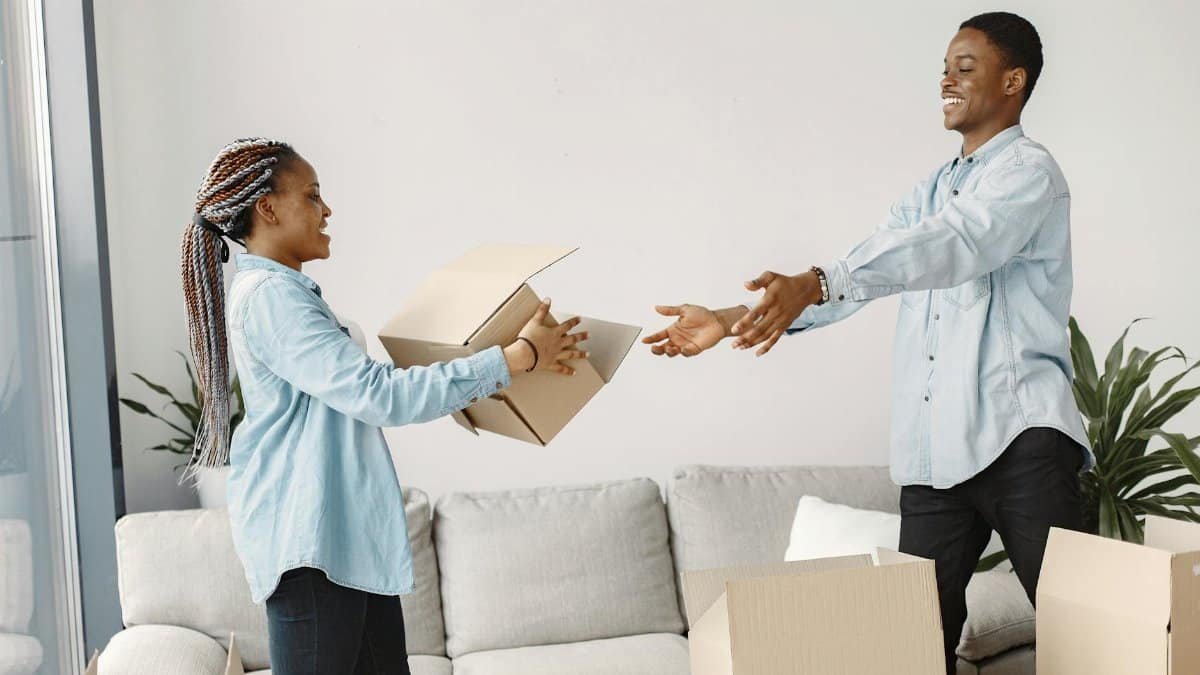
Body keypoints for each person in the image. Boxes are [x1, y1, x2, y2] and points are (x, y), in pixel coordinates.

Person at [644, 13, 1093, 672]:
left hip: (1020, 443)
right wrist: (737, 312)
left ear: (1013, 81)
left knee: (1090, 634)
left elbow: (958, 245)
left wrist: (821, 280)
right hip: (934, 463)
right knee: (908, 649)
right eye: (944, 66)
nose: (946, 78)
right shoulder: (934, 190)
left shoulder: (1028, 172)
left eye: (965, 66)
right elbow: (861, 275)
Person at [180, 137, 588, 674]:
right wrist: (516, 357)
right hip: (312, 549)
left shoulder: (290, 294)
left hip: (342, 546)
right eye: (312, 195)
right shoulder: (271, 299)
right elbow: (377, 395)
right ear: (269, 207)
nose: (327, 211)